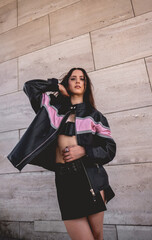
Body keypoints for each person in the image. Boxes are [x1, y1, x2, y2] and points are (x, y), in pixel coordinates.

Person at [7, 67, 116, 240]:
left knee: (97, 236)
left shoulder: (96, 116)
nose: (78, 81)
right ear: (67, 83)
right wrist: (56, 86)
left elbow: (109, 150)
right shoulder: (50, 107)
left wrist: (84, 151)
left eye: (82, 78)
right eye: (73, 78)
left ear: (86, 85)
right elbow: (30, 86)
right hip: (65, 179)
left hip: (92, 178)